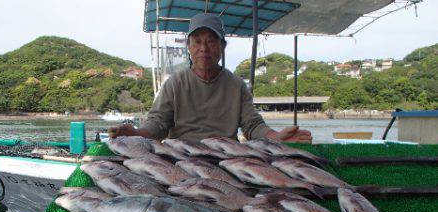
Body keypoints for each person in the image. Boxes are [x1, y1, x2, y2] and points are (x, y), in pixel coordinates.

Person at [109, 13, 312, 144]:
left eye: (211, 41)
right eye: (197, 42)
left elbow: (252, 125)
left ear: (222, 46)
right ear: (188, 47)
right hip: (181, 157)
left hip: (227, 159)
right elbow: (158, 124)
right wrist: (137, 133)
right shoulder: (175, 83)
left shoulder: (237, 85)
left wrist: (275, 136)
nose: (204, 49)